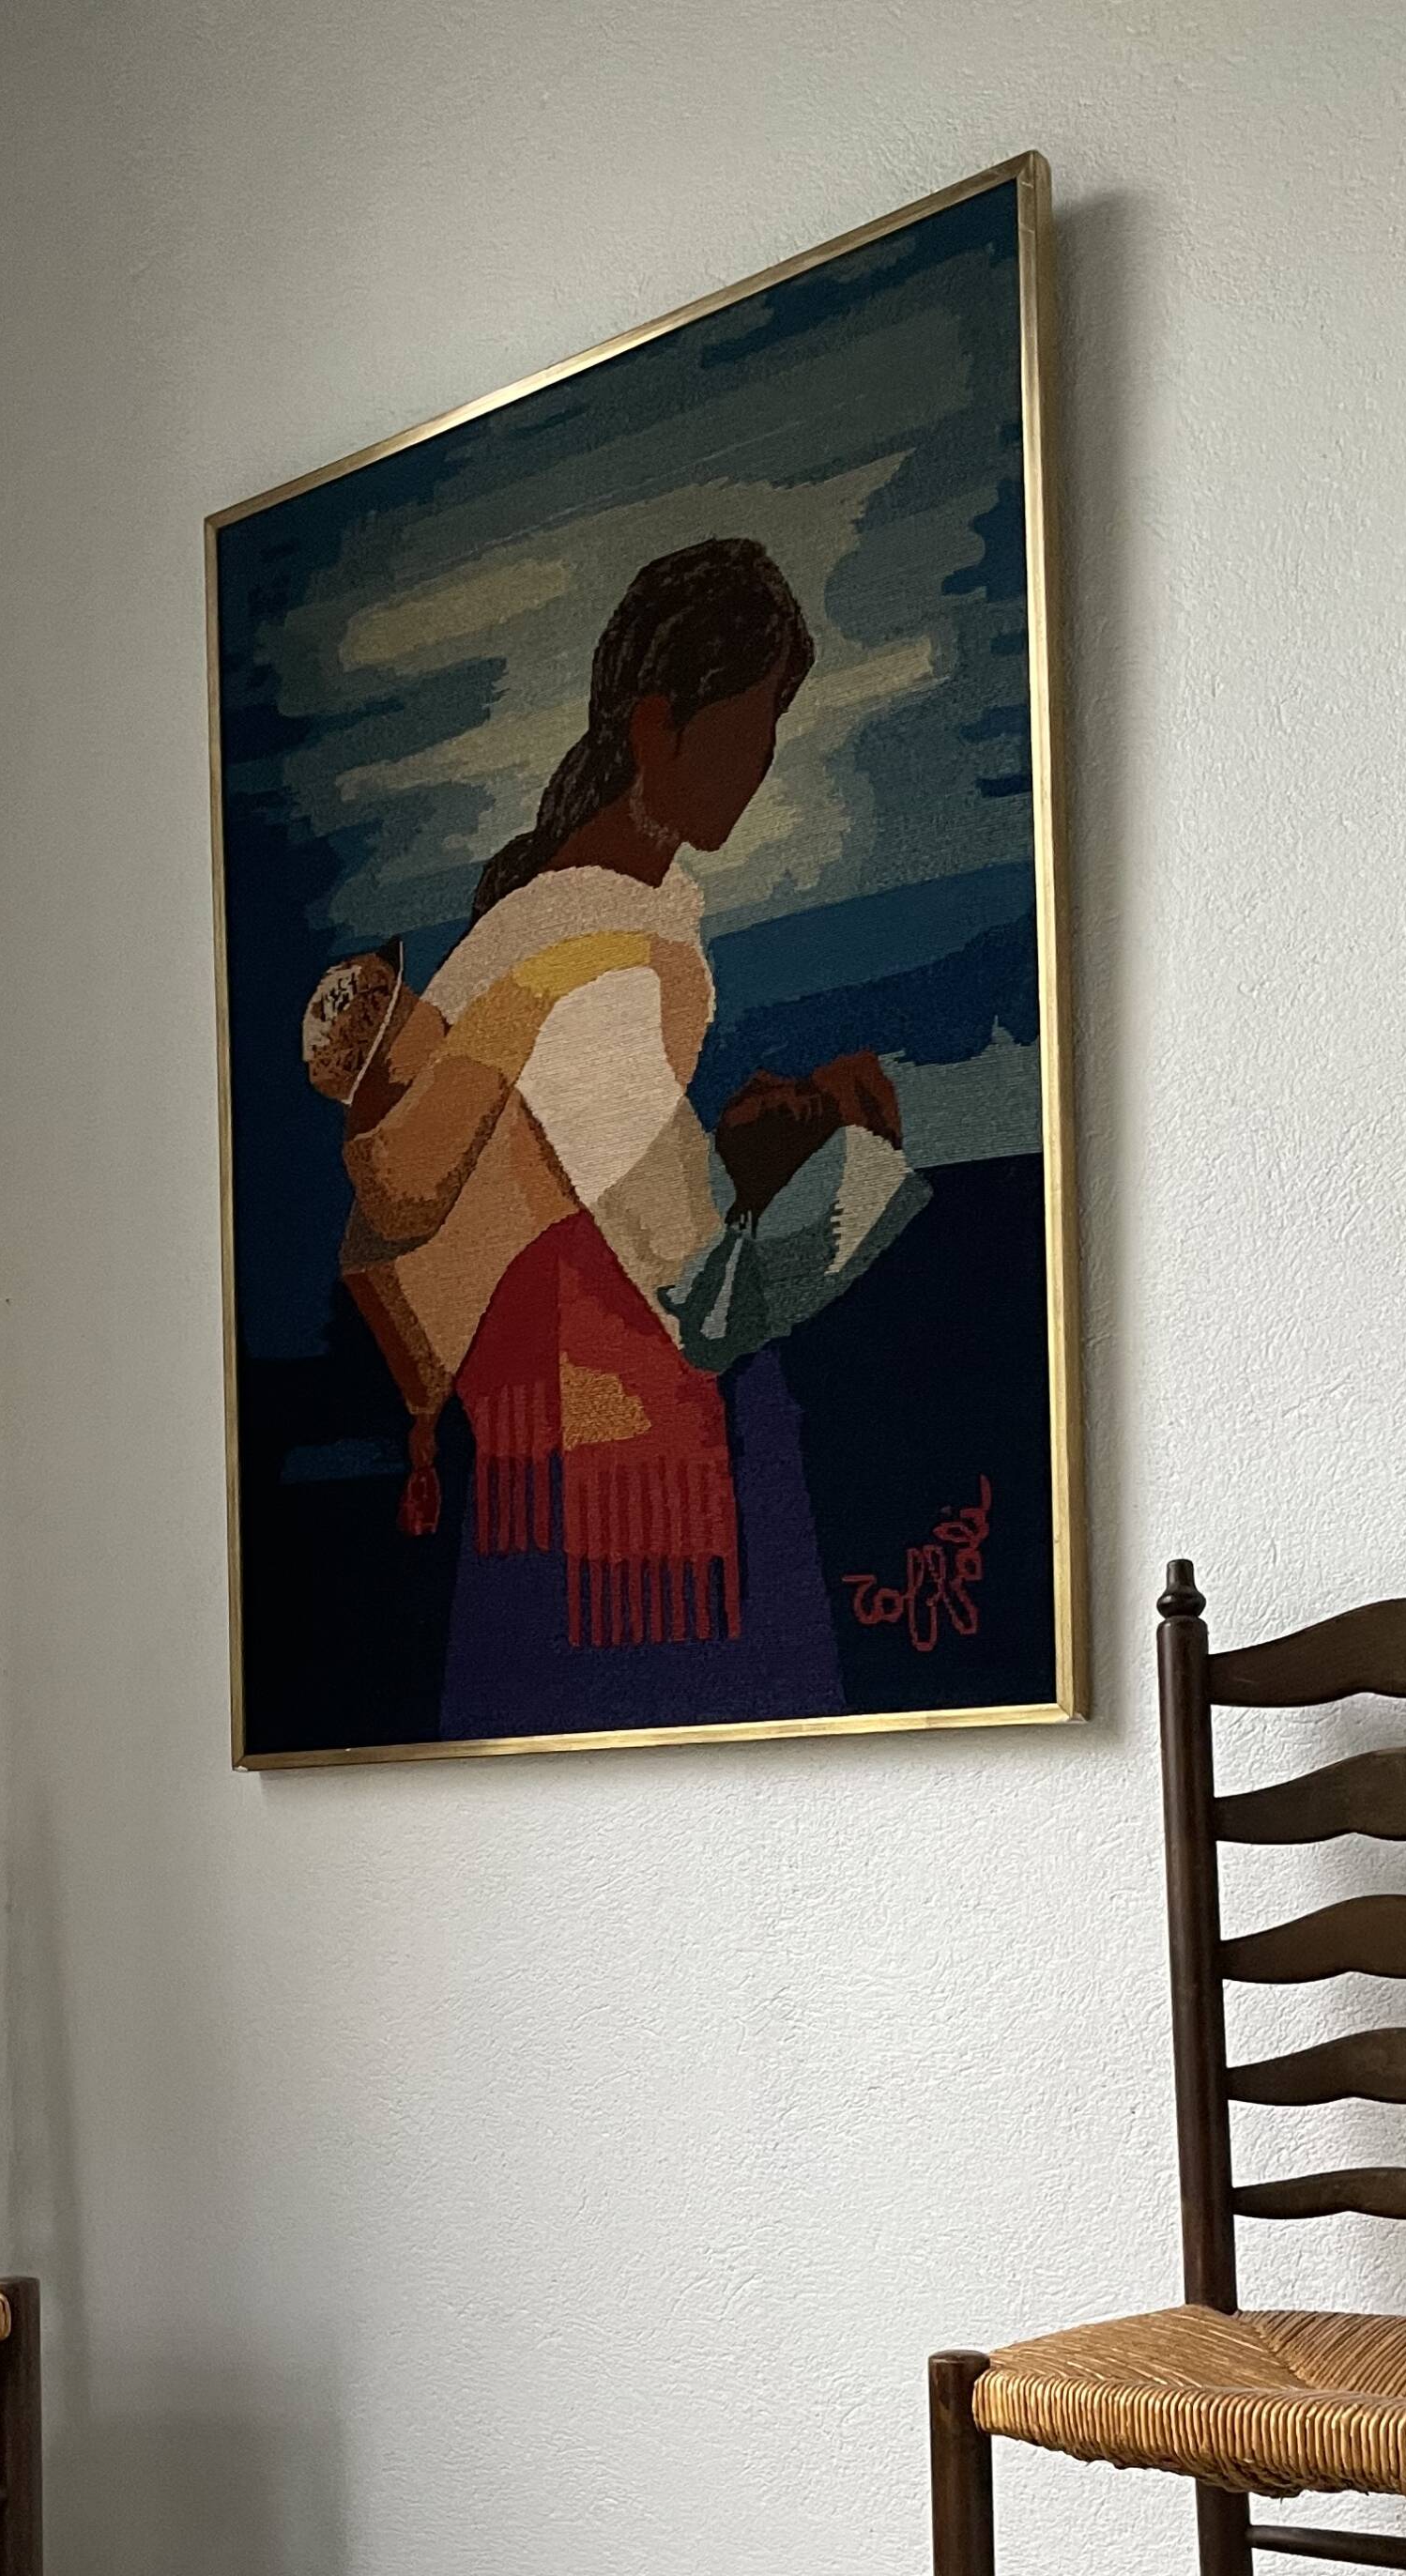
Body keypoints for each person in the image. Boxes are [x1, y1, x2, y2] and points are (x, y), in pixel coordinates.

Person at [304, 537, 917, 1729]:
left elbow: (585, 1181)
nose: (764, 759)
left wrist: (742, 1148)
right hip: (618, 1510)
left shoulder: (538, 929)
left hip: (545, 1495)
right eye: (750, 721)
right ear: (655, 728)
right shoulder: (592, 964)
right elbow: (706, 1296)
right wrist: (865, 1156)